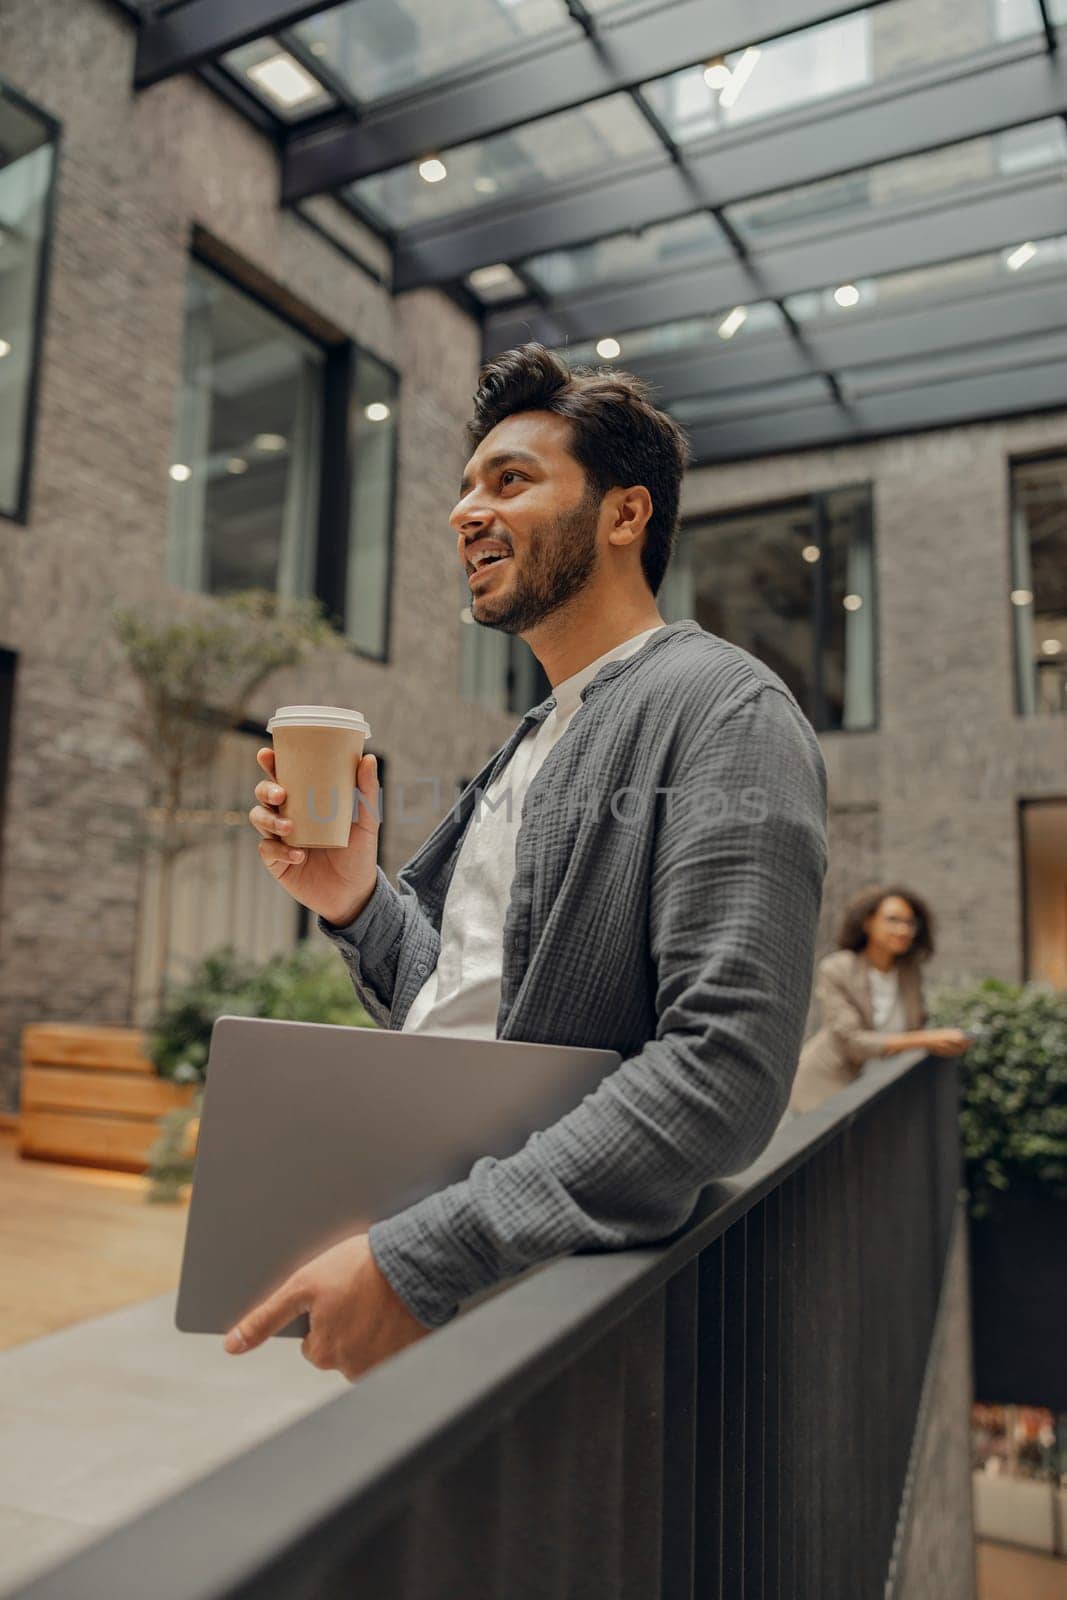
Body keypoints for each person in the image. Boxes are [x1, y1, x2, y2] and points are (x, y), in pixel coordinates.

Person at [231, 343, 829, 1382]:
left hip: (553, 1310)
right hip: (456, 1268)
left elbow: (722, 1072)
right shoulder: (532, 739)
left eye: (510, 481)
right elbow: (468, 1008)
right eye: (464, 489)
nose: (466, 512)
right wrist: (356, 898)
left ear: (623, 515)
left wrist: (420, 1258)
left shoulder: (724, 709)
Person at [789, 883, 970, 1116]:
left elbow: (913, 1029)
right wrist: (927, 1039)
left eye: (909, 923)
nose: (903, 930)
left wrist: (941, 1043)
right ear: (868, 922)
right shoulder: (837, 968)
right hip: (826, 1085)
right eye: (893, 920)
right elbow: (854, 1043)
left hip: (878, 1086)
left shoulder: (909, 972)